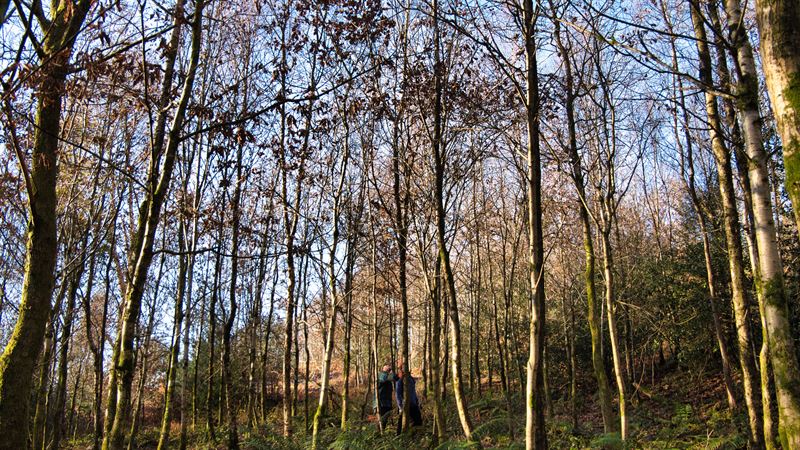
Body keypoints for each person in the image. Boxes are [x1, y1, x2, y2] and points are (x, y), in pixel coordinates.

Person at [394, 369, 422, 434]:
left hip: (413, 404)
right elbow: (398, 394)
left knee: (418, 421)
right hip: (405, 405)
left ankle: (415, 435)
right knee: (401, 422)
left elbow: (413, 392)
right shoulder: (400, 380)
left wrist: (417, 401)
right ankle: (399, 436)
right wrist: (400, 406)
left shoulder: (411, 379)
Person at [376, 364, 397, 430]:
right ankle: (378, 435)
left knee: (384, 420)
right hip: (381, 402)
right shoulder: (381, 375)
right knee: (381, 420)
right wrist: (391, 373)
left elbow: (396, 378)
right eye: (388, 368)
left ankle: (381, 434)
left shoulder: (387, 376)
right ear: (384, 368)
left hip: (386, 403)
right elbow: (388, 378)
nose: (389, 369)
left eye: (389, 368)